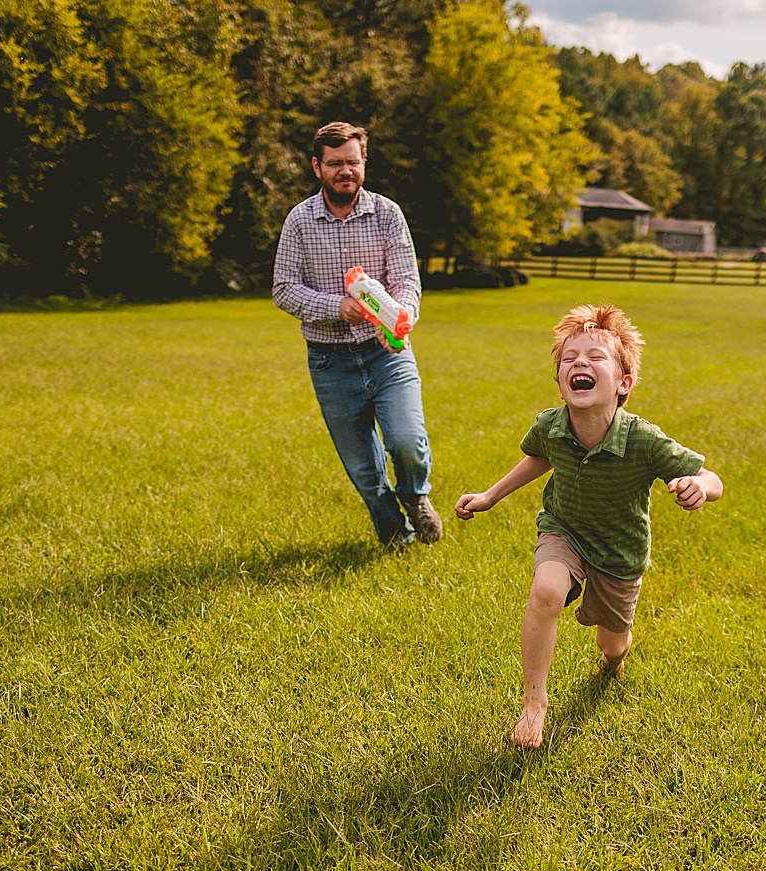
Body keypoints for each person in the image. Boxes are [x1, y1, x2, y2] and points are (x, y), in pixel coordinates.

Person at [454, 304, 723, 748]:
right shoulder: (552, 425)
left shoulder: (643, 438)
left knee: (612, 643)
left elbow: (712, 478)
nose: (580, 362)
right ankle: (533, 704)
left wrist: (698, 486)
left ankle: (614, 661)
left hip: (620, 553)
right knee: (545, 590)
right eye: (569, 358)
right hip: (565, 530)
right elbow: (539, 457)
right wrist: (489, 496)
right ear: (560, 381)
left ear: (623, 383)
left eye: (596, 357)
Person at [273, 121, 442, 547]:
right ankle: (395, 536)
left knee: (406, 439)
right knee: (364, 468)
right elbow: (283, 288)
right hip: (330, 361)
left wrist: (398, 318)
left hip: (388, 352)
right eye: (335, 164)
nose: (345, 170)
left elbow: (406, 280)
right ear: (317, 167)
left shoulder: (387, 213)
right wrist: (337, 307)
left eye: (352, 162)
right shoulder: (299, 221)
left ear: (363, 163)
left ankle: (416, 497)